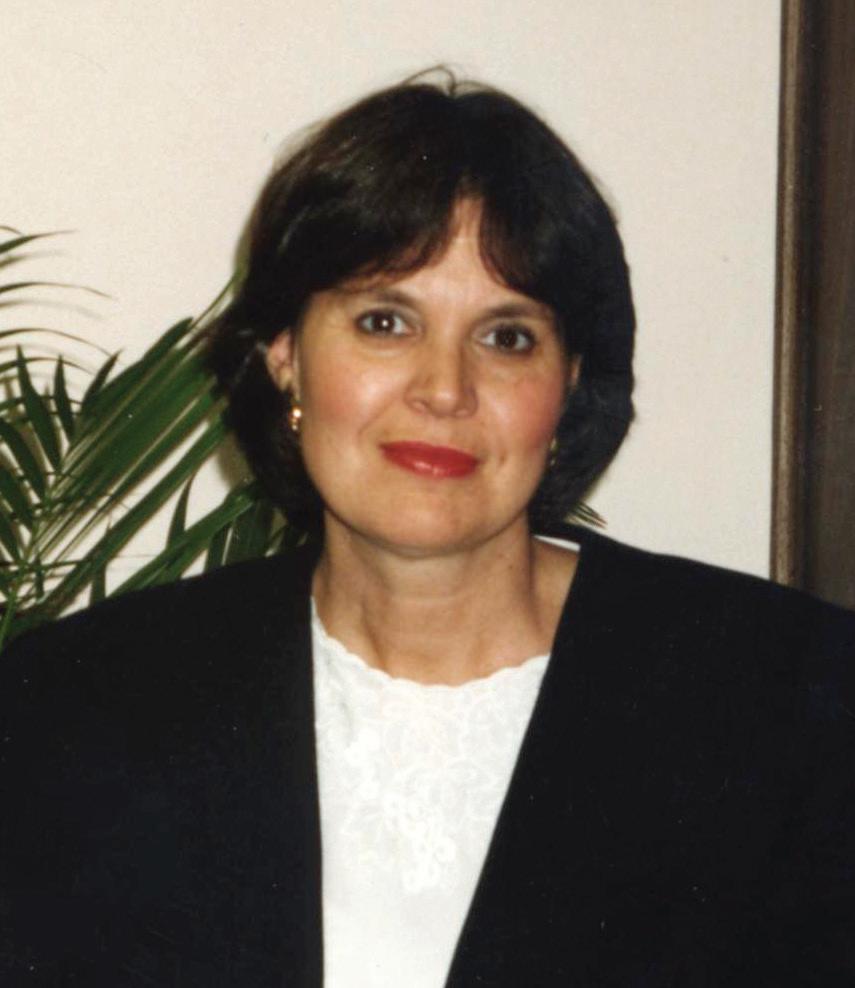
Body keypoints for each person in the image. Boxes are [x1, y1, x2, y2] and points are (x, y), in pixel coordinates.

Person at [1, 71, 853, 988]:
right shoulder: (72, 708)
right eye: (384, 322)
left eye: (506, 337)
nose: (444, 389)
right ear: (284, 357)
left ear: (568, 382)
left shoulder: (795, 702)